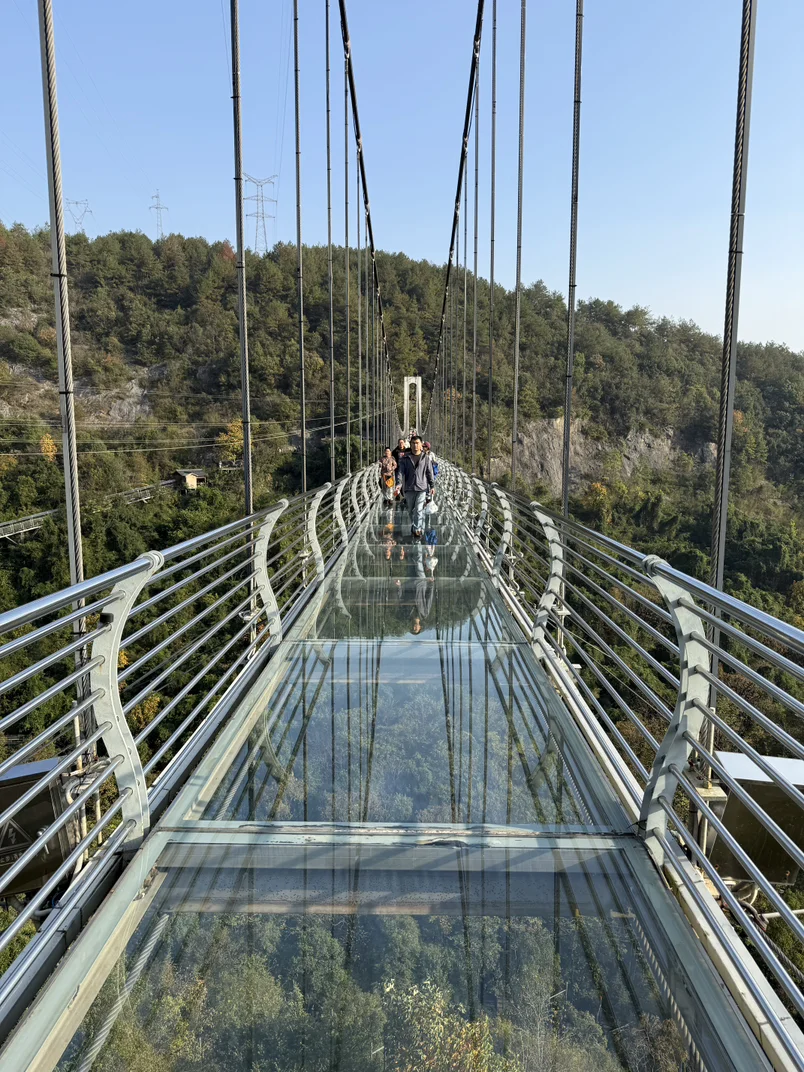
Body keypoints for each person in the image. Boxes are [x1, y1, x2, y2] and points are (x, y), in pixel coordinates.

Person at [396, 435, 435, 538]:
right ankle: (415, 526)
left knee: (418, 510)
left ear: (421, 445)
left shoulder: (425, 458)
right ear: (410, 444)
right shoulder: (405, 458)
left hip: (422, 488)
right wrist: (398, 484)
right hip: (409, 488)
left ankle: (417, 529)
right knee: (410, 510)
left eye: (417, 443)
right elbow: (400, 472)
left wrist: (432, 486)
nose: (415, 445)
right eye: (413, 443)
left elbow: (429, 473)